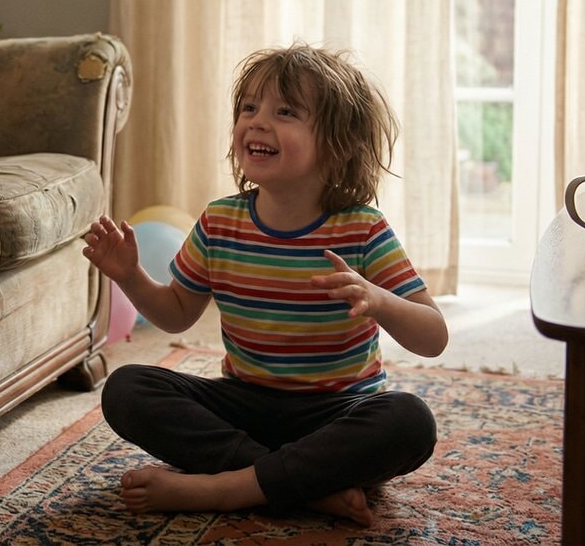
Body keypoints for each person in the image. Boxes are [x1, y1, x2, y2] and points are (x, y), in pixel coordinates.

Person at [82, 44, 448, 526]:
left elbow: (433, 336)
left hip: (336, 412)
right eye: (248, 108)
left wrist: (380, 300)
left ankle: (231, 487)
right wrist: (129, 275)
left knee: (409, 421)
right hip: (245, 405)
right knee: (126, 388)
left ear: (336, 144)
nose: (256, 121)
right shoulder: (219, 221)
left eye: (285, 112)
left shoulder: (363, 229)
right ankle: (303, 486)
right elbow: (174, 314)